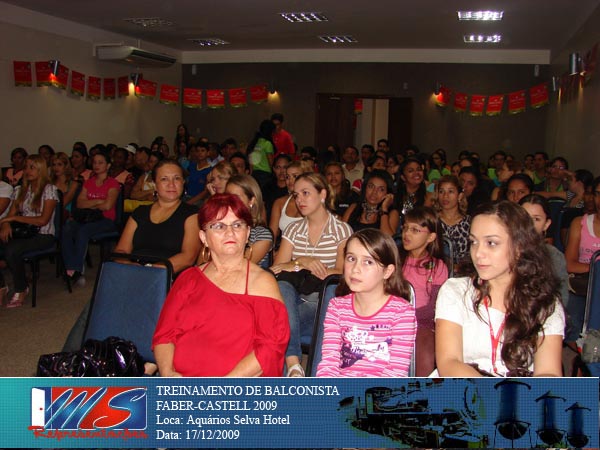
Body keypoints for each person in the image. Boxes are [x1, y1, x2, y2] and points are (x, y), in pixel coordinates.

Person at [152, 194, 289, 377]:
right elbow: (164, 335)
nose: (230, 232)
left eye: (237, 225)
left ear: (247, 233)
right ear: (204, 237)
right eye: (218, 226)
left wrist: (223, 385)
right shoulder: (188, 279)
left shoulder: (262, 282)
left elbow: (270, 348)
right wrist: (168, 373)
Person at [436, 201, 565, 377]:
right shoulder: (456, 291)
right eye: (473, 242)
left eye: (491, 243)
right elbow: (449, 363)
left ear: (519, 247)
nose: (478, 253)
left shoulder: (545, 302)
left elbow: (548, 372)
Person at [271, 172, 353, 377]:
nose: (299, 200)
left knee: (278, 322)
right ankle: (294, 364)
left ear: (322, 194)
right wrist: (302, 262)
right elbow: (276, 269)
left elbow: (343, 273)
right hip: (294, 297)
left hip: (321, 300)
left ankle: (292, 367)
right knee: (281, 287)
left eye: (305, 193)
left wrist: (300, 267)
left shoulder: (341, 230)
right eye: (296, 195)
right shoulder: (293, 229)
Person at [317, 229, 416, 377]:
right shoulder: (336, 307)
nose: (355, 269)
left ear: (387, 271)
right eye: (351, 258)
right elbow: (329, 362)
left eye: (368, 262)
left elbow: (396, 372)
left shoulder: (402, 312)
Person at [114, 160, 201, 274]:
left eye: (177, 178)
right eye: (164, 179)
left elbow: (188, 257)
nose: (171, 184)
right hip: (134, 272)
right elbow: (121, 251)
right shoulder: (140, 212)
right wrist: (130, 267)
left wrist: (150, 270)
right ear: (154, 184)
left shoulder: (192, 214)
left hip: (168, 275)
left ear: (183, 182)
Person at [0, 155, 58, 307]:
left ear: (41, 170)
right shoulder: (20, 190)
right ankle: (1, 286)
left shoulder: (49, 190)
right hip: (23, 233)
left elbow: (43, 220)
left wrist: (14, 219)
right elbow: (10, 215)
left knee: (11, 249)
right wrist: (6, 224)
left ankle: (21, 288)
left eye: (32, 167)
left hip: (43, 234)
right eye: (26, 167)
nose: (27, 171)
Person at [400, 207, 448, 376]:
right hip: (392, 320)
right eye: (405, 228)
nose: (406, 233)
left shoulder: (437, 267)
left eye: (415, 230)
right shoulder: (396, 261)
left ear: (431, 237)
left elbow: (435, 306)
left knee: (425, 351)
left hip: (423, 324)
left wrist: (406, 315)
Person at [62, 152, 119, 285]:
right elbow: (79, 204)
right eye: (94, 162)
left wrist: (90, 203)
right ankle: (70, 267)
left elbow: (108, 206)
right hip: (87, 217)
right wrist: (98, 201)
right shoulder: (89, 182)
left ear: (108, 165)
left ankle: (76, 269)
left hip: (106, 219)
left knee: (83, 231)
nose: (96, 165)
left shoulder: (113, 183)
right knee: (66, 228)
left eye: (100, 162)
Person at [563, 176, 600, 345]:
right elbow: (569, 264)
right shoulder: (580, 223)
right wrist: (596, 268)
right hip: (583, 285)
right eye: (598, 194)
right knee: (572, 327)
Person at [519, 195, 569, 308]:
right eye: (524, 217)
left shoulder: (553, 256)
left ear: (546, 224)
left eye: (536, 219)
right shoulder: (503, 251)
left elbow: (561, 300)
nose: (529, 224)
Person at [225, 174, 273, 268]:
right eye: (227, 197)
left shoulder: (261, 234)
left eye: (236, 197)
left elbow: (237, 267)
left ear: (251, 201)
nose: (230, 202)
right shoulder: (219, 229)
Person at [269, 160, 313, 246]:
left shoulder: (315, 202)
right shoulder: (279, 203)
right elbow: (272, 236)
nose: (290, 180)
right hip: (284, 251)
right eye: (287, 177)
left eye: (295, 176)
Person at [343, 170, 399, 235]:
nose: (374, 192)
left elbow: (388, 238)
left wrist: (384, 209)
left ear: (388, 193)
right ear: (365, 188)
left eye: (381, 189)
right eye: (371, 186)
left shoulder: (392, 213)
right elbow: (340, 234)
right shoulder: (354, 207)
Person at [436, 175, 471, 269]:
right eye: (441, 191)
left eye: (450, 191)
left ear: (460, 196)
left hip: (464, 272)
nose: (445, 196)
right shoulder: (432, 221)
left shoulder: (469, 223)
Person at [247, 120, 276, 189]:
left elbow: (251, 161)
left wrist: (251, 174)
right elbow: (271, 163)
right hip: (265, 175)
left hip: (255, 174)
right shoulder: (267, 144)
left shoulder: (255, 142)